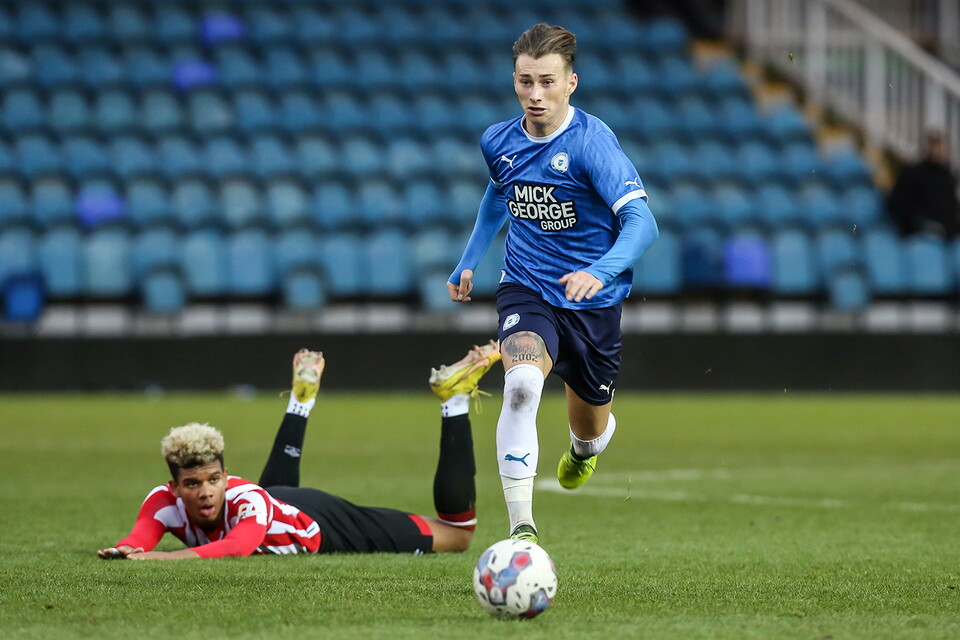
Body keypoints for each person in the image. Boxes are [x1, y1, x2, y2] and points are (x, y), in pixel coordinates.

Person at [446, 24, 659, 544]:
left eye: (546, 82)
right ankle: (522, 528)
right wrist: (468, 261)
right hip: (527, 286)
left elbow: (643, 224)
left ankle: (584, 450)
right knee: (519, 387)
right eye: (524, 82)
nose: (534, 95)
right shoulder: (498, 140)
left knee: (590, 432)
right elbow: (500, 194)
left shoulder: (592, 145)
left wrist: (599, 271)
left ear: (571, 83)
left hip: (594, 302)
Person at [96, 343, 500, 559]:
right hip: (278, 502)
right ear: (175, 487)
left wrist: (160, 561)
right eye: (193, 483)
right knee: (270, 498)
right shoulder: (162, 502)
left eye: (214, 480)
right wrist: (125, 550)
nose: (205, 491)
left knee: (459, 536)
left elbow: (237, 548)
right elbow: (139, 538)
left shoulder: (247, 498)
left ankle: (454, 400)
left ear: (225, 475)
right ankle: (300, 401)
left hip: (324, 523)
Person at [886, 131, 960, 238]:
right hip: (918, 234)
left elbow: (951, 209)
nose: (938, 151)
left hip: (946, 236)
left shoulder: (947, 177)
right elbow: (897, 205)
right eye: (935, 147)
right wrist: (919, 222)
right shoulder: (912, 174)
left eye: (941, 147)